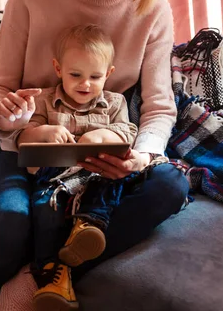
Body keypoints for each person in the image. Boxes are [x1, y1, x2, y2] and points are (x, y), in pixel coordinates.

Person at [0, 0, 190, 310]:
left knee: (172, 185)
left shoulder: (153, 10)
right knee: (9, 224)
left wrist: (143, 154)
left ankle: (43, 272)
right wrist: (10, 117)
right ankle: (47, 272)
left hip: (102, 143)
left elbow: (158, 106)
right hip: (33, 141)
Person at [16, 24, 140, 309]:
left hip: (98, 172)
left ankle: (87, 226)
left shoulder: (114, 102)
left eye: (95, 77)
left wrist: (102, 135)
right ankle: (51, 276)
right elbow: (24, 136)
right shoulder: (45, 100)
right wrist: (45, 132)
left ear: (108, 74)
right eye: (75, 75)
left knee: (113, 181)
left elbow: (128, 132)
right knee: (44, 204)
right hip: (56, 176)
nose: (85, 84)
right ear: (58, 69)